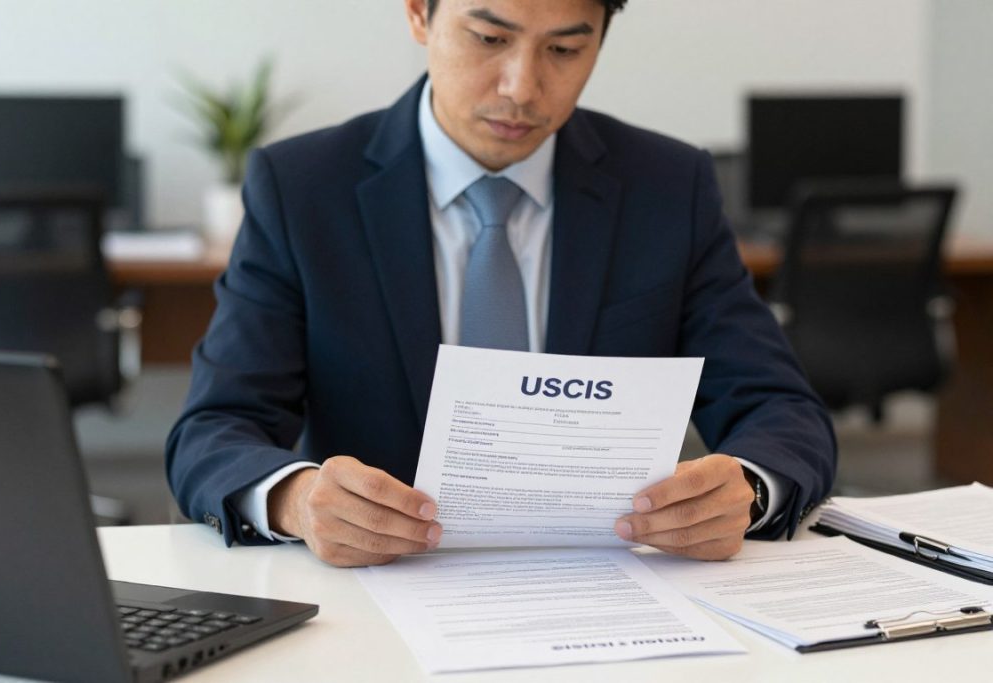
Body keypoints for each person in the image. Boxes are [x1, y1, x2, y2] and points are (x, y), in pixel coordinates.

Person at [167, 0, 836, 567]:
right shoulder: (305, 188)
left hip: (610, 592)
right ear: (417, 14)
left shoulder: (667, 188)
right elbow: (215, 426)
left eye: (566, 49)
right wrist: (296, 501)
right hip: (385, 592)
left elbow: (783, 410)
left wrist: (746, 486)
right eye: (489, 38)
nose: (522, 86)